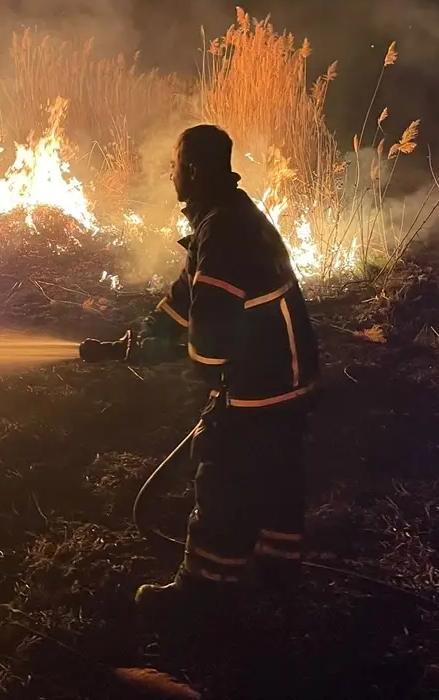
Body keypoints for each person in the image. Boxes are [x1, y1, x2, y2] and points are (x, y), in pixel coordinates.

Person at [134, 123, 321, 612]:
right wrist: (152, 331)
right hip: (286, 371)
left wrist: (189, 362)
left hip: (263, 377)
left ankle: (204, 591)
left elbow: (212, 345)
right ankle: (277, 565)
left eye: (173, 166)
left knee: (222, 466)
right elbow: (190, 290)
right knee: (276, 468)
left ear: (192, 171)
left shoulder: (223, 229)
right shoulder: (225, 216)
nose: (168, 174)